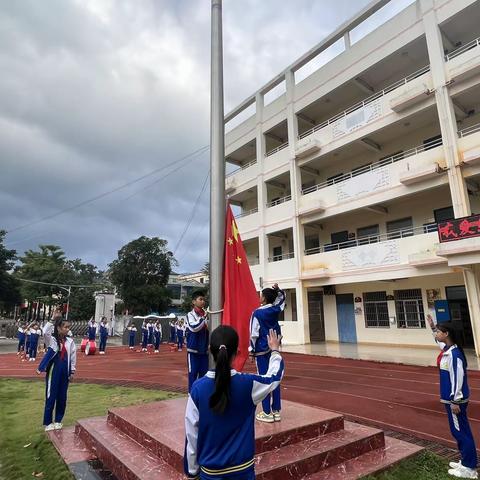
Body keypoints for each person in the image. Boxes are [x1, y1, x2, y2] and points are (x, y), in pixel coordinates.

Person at [184, 325, 284, 480]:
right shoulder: (248, 385)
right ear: (237, 352)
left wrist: (192, 472)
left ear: (210, 350)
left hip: (210, 474)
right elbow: (274, 377)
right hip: (243, 472)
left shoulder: (197, 389)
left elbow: (192, 435)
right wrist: (275, 351)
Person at [428, 315, 478, 479]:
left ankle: (469, 467)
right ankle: (465, 460)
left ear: (447, 333)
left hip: (455, 401)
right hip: (451, 399)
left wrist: (455, 400)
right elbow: (440, 343)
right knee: (458, 431)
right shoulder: (448, 350)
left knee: (461, 432)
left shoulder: (454, 355)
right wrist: (432, 327)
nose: (437, 334)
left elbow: (458, 379)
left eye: (439, 332)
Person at [249, 283, 285, 423]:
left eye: (261, 295)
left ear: (263, 299)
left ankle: (266, 412)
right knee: (275, 377)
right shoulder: (276, 309)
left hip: (261, 350)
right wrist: (278, 290)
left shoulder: (257, 313)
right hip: (274, 347)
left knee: (264, 379)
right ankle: (276, 411)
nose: (260, 297)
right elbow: (282, 299)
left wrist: (251, 350)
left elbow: (253, 333)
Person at [36, 316, 77, 432]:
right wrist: (52, 319)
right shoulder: (52, 340)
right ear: (58, 328)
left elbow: (73, 357)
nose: (68, 329)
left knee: (62, 397)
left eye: (69, 327)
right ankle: (48, 422)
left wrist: (72, 371)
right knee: (51, 396)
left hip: (65, 370)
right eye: (65, 327)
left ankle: (58, 420)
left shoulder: (70, 341)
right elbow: (45, 332)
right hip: (54, 370)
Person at [186, 292, 209, 393]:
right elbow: (194, 328)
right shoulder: (190, 315)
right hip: (193, 350)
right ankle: (191, 394)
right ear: (194, 302)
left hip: (204, 350)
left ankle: (202, 394)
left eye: (204, 299)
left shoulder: (206, 314)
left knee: (204, 374)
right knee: (193, 373)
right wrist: (204, 318)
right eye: (200, 299)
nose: (203, 301)